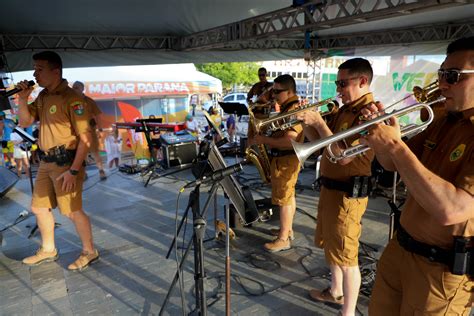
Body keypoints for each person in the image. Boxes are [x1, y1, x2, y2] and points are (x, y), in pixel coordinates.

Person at [362, 37, 473, 315]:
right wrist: (381, 135)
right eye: (441, 74)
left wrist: (394, 146)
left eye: (453, 75)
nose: (442, 83)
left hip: (440, 274)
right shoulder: (443, 119)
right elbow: (390, 164)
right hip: (400, 250)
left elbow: (451, 210)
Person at [296, 58, 375, 316]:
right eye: (336, 83)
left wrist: (320, 123)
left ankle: (348, 312)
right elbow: (319, 144)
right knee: (332, 247)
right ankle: (334, 291)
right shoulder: (345, 109)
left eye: (343, 83)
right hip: (331, 189)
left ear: (362, 81)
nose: (338, 89)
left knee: (347, 256)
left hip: (348, 193)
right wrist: (308, 122)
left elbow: (345, 156)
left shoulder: (371, 113)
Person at [16, 51, 99, 271]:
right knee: (38, 207)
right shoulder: (43, 96)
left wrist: (73, 171)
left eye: (40, 69)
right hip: (46, 162)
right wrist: (23, 99)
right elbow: (24, 122)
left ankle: (89, 251)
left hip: (66, 163)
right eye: (35, 69)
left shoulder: (73, 99)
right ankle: (48, 249)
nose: (35, 74)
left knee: (72, 210)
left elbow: (85, 138)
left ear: (56, 71)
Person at [249, 74, 304, 252]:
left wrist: (264, 139)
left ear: (289, 91)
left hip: (287, 159)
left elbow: (291, 140)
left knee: (284, 199)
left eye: (277, 91)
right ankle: (287, 230)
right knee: (289, 196)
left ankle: (283, 239)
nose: (274, 95)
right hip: (284, 159)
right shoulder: (288, 107)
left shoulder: (294, 109)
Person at [72, 81, 107, 180]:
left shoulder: (89, 101)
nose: (74, 89)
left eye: (77, 87)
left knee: (95, 152)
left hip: (90, 131)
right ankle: (83, 173)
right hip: (76, 133)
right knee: (80, 154)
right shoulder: (69, 101)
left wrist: (100, 129)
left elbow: (98, 115)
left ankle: (101, 171)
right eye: (73, 87)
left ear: (82, 89)